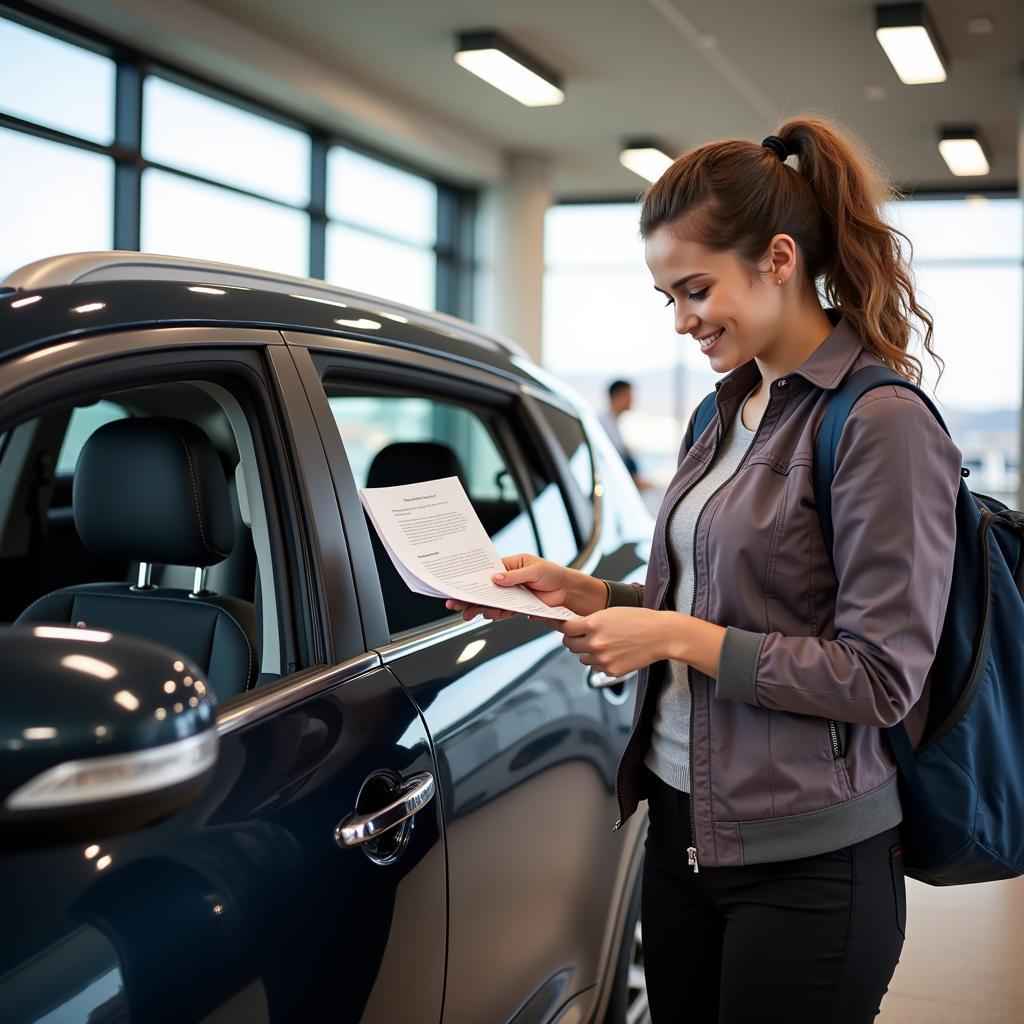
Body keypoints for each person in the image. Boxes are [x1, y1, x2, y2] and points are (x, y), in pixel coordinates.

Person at [446, 114, 961, 1024]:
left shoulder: (879, 421)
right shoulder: (723, 414)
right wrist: (597, 594)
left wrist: (673, 636)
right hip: (684, 833)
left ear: (778, 259)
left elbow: (881, 676)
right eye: (666, 298)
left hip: (809, 864)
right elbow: (735, 599)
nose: (682, 321)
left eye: (695, 289)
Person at [599, 379, 650, 489]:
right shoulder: (603, 424)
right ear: (618, 396)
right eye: (629, 395)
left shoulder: (613, 423)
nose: (632, 400)